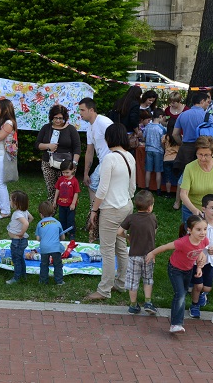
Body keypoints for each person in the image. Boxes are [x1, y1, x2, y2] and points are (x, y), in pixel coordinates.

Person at [85, 124, 136, 301]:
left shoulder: (109, 158)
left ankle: (104, 289)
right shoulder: (130, 157)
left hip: (111, 208)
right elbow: (132, 187)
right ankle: (121, 283)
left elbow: (102, 188)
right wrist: (125, 201)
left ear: (109, 139)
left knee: (107, 249)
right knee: (121, 246)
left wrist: (94, 209)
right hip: (126, 206)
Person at [146, 214, 208, 334]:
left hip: (188, 270)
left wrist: (199, 267)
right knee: (180, 295)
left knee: (183, 293)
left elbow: (199, 252)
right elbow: (165, 247)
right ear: (189, 230)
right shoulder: (182, 242)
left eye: (205, 229)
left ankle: (176, 322)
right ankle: (176, 324)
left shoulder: (204, 240)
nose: (203, 232)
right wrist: (152, 253)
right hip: (175, 269)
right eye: (199, 229)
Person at [117, 190, 158, 315]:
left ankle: (133, 305)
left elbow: (119, 232)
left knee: (133, 281)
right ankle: (148, 302)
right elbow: (154, 233)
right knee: (148, 279)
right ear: (150, 207)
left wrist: (128, 237)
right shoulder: (153, 218)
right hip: (149, 255)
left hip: (134, 255)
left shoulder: (131, 218)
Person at [189, 194, 213, 319]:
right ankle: (194, 306)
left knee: (207, 287)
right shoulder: (199, 224)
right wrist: (200, 250)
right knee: (198, 285)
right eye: (212, 208)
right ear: (204, 209)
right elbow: (191, 238)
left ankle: (201, 295)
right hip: (197, 260)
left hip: (210, 260)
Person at [179, 135, 213, 225]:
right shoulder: (189, 168)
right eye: (200, 154)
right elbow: (183, 194)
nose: (202, 158)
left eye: (206, 155)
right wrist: (194, 210)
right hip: (192, 211)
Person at [35, 104, 81, 203]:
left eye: (61, 118)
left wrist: (74, 164)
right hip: (48, 163)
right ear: (52, 117)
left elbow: (77, 148)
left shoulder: (71, 129)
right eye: (56, 118)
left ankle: (66, 213)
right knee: (51, 190)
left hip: (66, 165)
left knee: (66, 191)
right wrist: (48, 146)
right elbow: (37, 144)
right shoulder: (46, 128)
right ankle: (51, 213)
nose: (58, 121)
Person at [78, 97, 113, 220]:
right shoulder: (89, 128)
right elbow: (89, 151)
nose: (80, 113)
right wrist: (85, 173)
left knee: (94, 185)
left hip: (110, 161)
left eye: (82, 110)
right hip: (103, 162)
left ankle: (95, 215)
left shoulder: (104, 122)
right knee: (93, 184)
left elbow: (116, 140)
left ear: (91, 110)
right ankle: (95, 215)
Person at [172, 91, 213, 173]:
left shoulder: (182, 115)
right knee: (201, 173)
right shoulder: (207, 116)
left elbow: (175, 134)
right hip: (203, 148)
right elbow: (212, 134)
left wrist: (181, 143)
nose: (208, 104)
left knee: (185, 175)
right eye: (207, 102)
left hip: (186, 148)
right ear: (202, 101)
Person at [6, 190, 33, 285]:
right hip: (21, 241)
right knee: (20, 258)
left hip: (17, 241)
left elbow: (26, 223)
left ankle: (16, 278)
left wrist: (21, 232)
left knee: (16, 260)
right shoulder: (24, 212)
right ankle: (23, 275)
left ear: (16, 202)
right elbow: (31, 218)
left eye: (10, 200)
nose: (9, 202)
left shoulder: (17, 214)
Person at [36, 201, 65, 286]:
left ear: (41, 214)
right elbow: (63, 238)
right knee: (58, 264)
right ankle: (59, 281)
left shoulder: (39, 224)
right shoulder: (57, 222)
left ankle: (43, 281)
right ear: (52, 212)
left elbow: (38, 239)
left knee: (44, 264)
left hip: (44, 248)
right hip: (55, 248)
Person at [53, 160, 80, 241]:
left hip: (70, 205)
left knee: (70, 220)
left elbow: (76, 193)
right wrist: (55, 200)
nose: (65, 174)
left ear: (73, 170)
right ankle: (63, 232)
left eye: (67, 172)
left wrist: (73, 203)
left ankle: (72, 233)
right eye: (63, 172)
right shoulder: (61, 179)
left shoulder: (74, 181)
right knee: (62, 219)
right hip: (61, 204)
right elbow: (57, 189)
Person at [144, 109, 166, 195]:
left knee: (148, 170)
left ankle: (146, 188)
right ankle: (158, 189)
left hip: (148, 150)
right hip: (158, 151)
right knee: (158, 171)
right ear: (160, 116)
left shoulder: (147, 127)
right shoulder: (162, 129)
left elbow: (144, 138)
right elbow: (162, 141)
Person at [162, 119, 181, 203]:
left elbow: (162, 146)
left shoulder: (165, 137)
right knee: (179, 178)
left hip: (166, 158)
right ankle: (178, 193)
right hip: (176, 159)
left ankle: (168, 193)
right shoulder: (180, 137)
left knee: (168, 178)